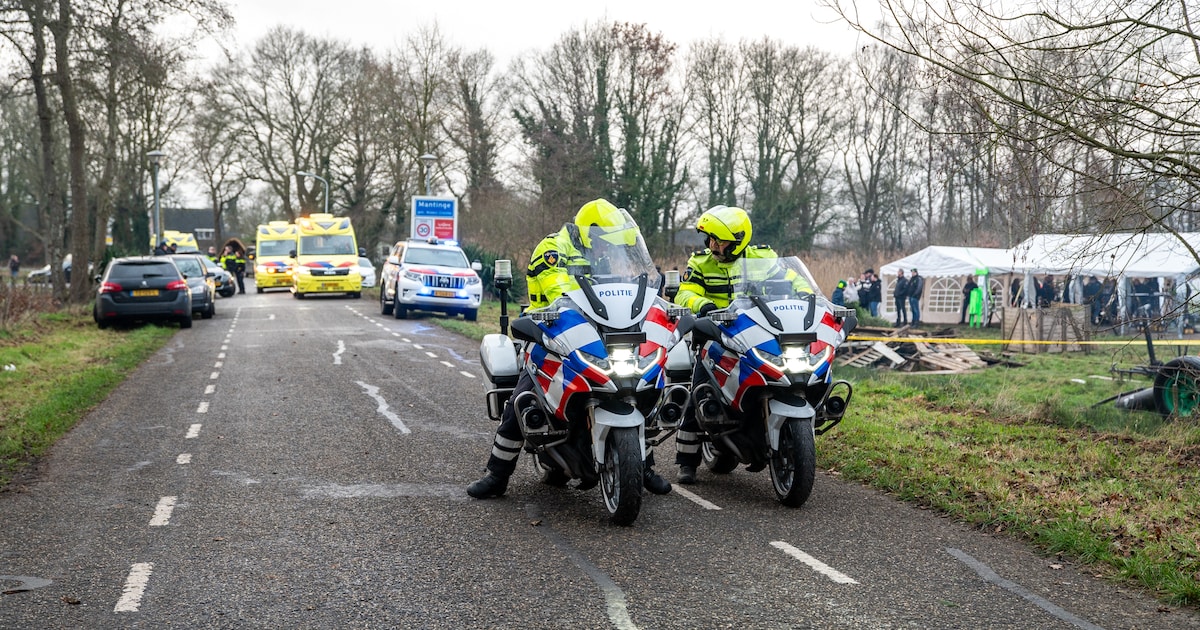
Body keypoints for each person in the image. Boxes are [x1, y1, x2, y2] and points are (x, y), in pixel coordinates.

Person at [467, 199, 672, 499]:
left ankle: (643, 465)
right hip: (549, 332)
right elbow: (559, 290)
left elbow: (625, 287)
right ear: (590, 233)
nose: (606, 251)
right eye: (604, 243)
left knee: (635, 388)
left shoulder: (602, 256)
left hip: (597, 333)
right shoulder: (553, 250)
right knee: (522, 398)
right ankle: (497, 474)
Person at [672, 205, 812, 485]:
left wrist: (809, 298)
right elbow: (684, 294)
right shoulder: (700, 263)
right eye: (710, 238)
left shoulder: (763, 258)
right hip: (715, 334)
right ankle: (687, 461)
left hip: (757, 333)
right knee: (698, 391)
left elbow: (795, 281)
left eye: (719, 240)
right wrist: (704, 305)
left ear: (738, 240)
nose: (712, 245)